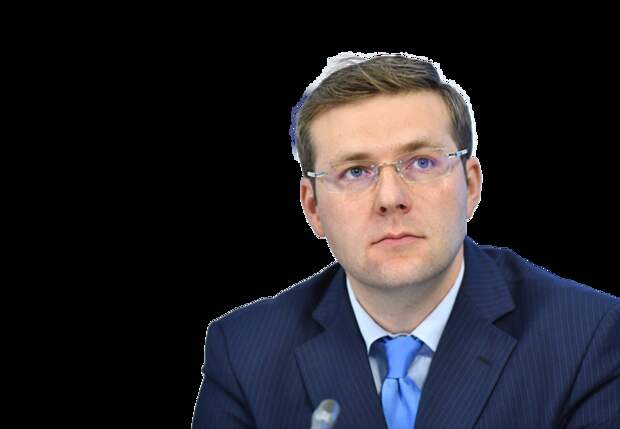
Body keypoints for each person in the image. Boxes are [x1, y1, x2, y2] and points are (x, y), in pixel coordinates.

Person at [192, 53, 619, 429]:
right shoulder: (245, 353)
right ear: (313, 207)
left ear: (471, 185)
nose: (391, 198)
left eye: (421, 162)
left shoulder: (587, 337)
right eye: (355, 171)